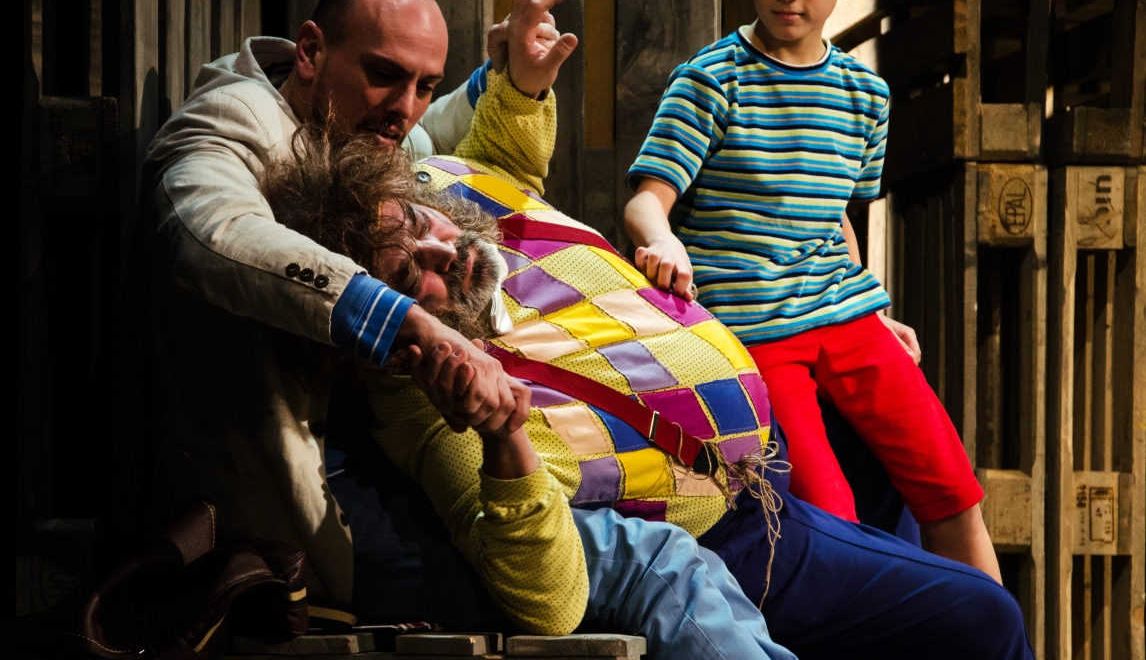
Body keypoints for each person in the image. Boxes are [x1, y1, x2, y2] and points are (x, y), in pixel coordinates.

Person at [260, 74, 1034, 659]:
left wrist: (524, 85)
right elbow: (549, 596)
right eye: (407, 276)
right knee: (984, 617)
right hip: (742, 530)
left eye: (416, 221)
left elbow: (498, 157)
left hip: (766, 467)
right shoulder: (442, 407)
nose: (441, 248)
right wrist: (503, 437)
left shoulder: (455, 197)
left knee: (903, 462)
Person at [143, 0, 574, 608]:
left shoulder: (356, 119)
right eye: (385, 74)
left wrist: (511, 76)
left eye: (425, 84)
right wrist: (402, 318)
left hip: (364, 437)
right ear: (310, 52)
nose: (405, 108)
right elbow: (212, 232)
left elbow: (432, 130)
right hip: (282, 493)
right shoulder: (230, 123)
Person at [621, 0, 1000, 580]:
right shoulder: (712, 79)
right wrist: (662, 240)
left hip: (847, 319)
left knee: (953, 490)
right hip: (756, 327)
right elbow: (645, 202)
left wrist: (872, 305)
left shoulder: (866, 94)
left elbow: (835, 217)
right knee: (830, 517)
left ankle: (995, 628)